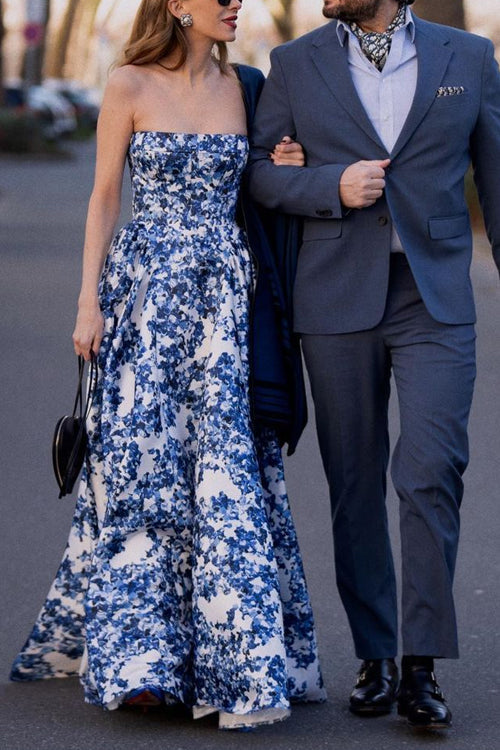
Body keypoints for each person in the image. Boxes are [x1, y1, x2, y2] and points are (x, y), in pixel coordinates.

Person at [10, 0, 326, 730]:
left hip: (226, 303)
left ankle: (235, 664)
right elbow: (103, 198)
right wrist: (87, 301)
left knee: (222, 473)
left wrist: (285, 166)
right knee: (144, 467)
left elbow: (262, 185)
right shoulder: (128, 83)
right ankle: (144, 663)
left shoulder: (247, 87)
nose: (235, 3)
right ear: (178, 6)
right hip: (146, 295)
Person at [248, 0, 500, 731]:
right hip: (333, 296)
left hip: (434, 298)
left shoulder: (468, 56)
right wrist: (327, 185)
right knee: (354, 480)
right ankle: (376, 654)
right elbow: (257, 172)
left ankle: (422, 664)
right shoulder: (295, 63)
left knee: (432, 470)